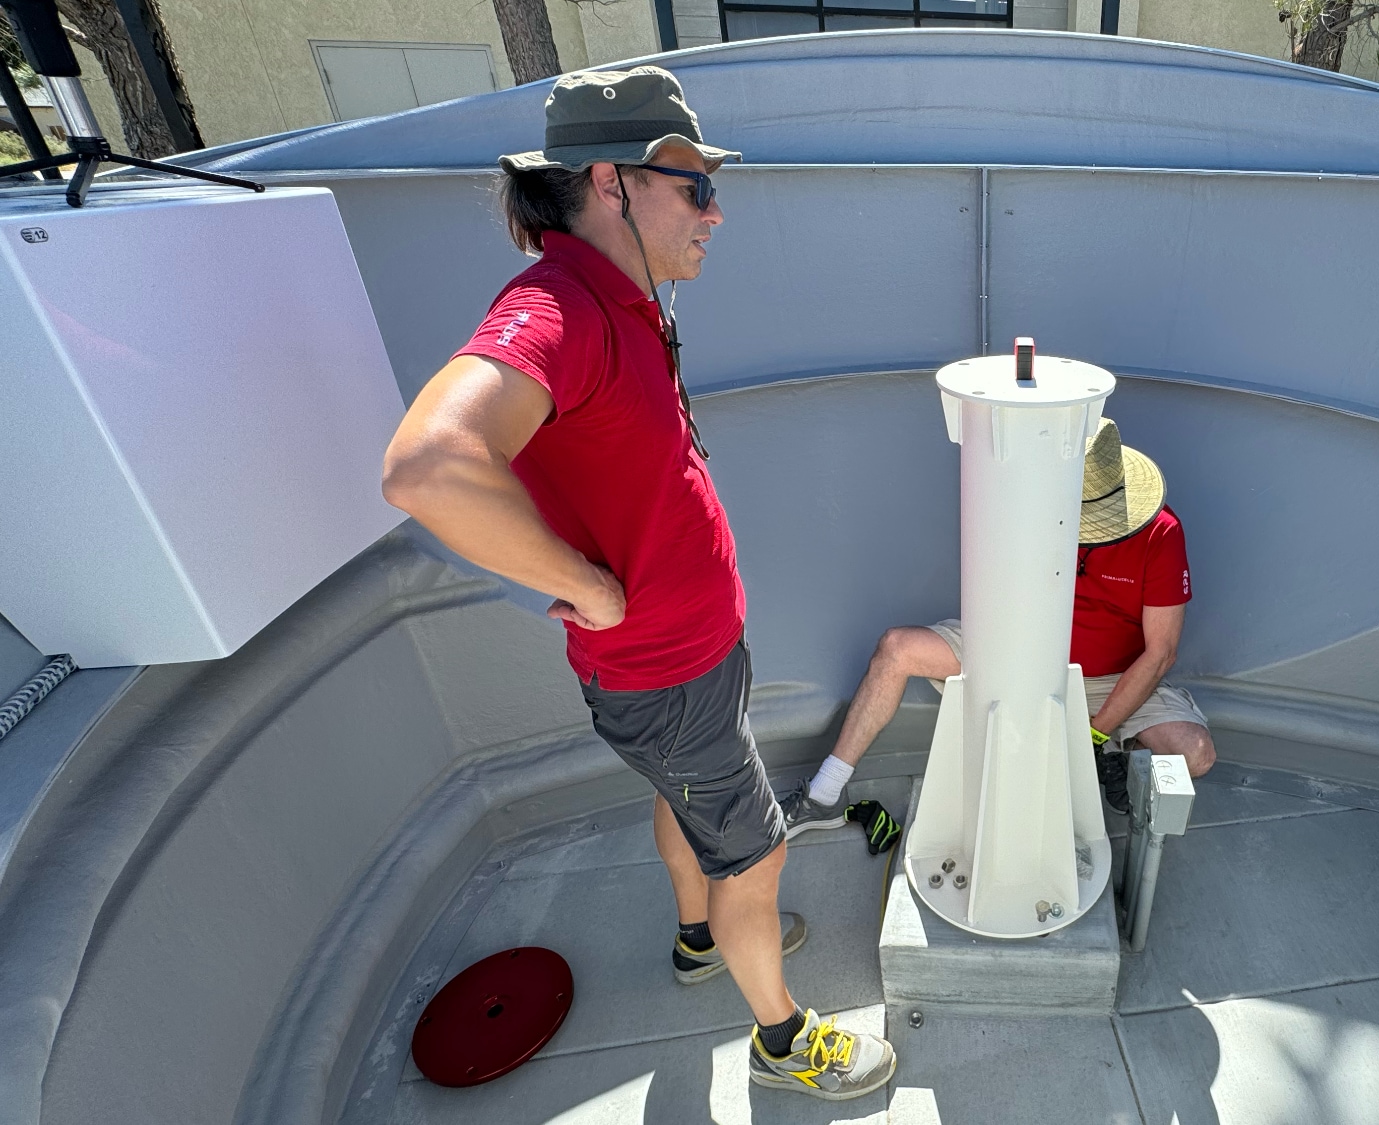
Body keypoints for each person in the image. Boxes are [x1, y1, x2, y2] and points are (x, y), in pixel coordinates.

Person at [380, 67, 894, 1101]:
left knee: (691, 801)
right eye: (694, 186)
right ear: (611, 183)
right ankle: (781, 1038)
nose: (716, 209)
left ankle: (701, 939)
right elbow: (427, 466)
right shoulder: (557, 306)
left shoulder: (622, 300)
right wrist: (586, 586)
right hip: (662, 674)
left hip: (686, 667)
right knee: (754, 855)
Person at [783, 417, 1218, 836]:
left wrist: (1093, 734)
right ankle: (824, 793)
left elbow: (1160, 652)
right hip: (1015, 650)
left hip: (1115, 680)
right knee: (896, 648)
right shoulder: (1032, 499)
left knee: (1195, 753)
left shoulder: (1162, 533)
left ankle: (1117, 753)